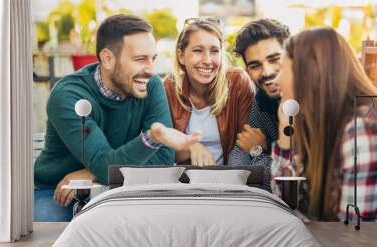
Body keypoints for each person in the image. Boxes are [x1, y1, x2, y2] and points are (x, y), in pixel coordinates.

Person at [34, 14, 201, 212]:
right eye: (140, 59)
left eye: (152, 59)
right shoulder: (69, 95)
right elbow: (105, 164)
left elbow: (163, 161)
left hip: (124, 188)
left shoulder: (150, 84)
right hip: (61, 190)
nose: (150, 70)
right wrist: (151, 139)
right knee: (48, 229)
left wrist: (93, 172)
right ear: (108, 59)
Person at [273, 27, 377, 220]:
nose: (276, 80)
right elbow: (287, 203)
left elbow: (351, 238)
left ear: (308, 73)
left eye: (282, 69)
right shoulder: (319, 123)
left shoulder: (364, 131)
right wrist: (286, 138)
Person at [164, 18, 254, 166]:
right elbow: (163, 148)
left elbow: (244, 145)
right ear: (181, 56)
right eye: (198, 51)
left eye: (214, 51)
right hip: (182, 182)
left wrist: (230, 182)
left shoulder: (238, 82)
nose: (207, 60)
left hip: (228, 179)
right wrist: (190, 146)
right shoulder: (169, 88)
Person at [228, 19, 291, 191]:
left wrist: (259, 150)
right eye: (255, 66)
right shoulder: (262, 99)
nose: (267, 72)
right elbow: (239, 157)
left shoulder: (313, 103)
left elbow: (291, 183)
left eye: (274, 59)